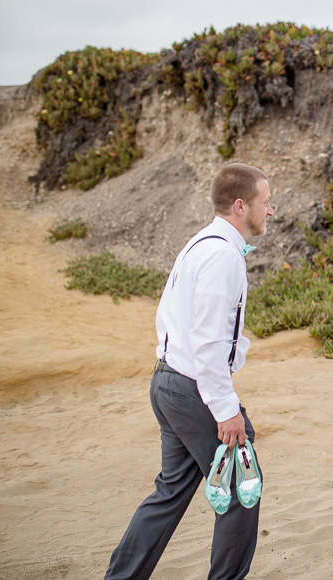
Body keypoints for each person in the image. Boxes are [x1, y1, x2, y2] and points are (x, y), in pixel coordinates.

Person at [106, 163, 273, 579]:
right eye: (265, 202)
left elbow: (171, 319)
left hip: (167, 381)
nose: (270, 211)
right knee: (240, 490)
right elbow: (209, 341)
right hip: (194, 388)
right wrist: (225, 407)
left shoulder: (200, 243)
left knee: (171, 490)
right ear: (241, 205)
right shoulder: (221, 255)